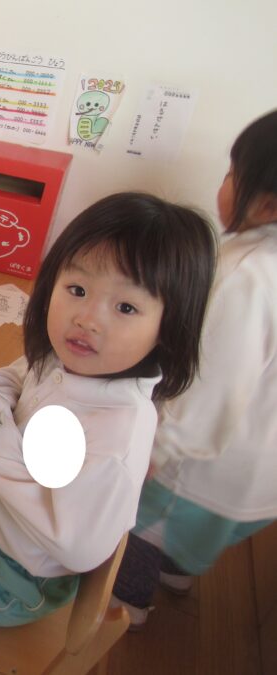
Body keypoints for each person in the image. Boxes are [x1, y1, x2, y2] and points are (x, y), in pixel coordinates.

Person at [0, 192, 217, 627]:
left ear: (167, 326)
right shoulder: (67, 359)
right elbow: (3, 380)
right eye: (77, 290)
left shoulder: (113, 434)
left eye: (126, 307)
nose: (87, 319)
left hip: (12, 576)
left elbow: (80, 550)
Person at [112, 110, 277, 628]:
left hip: (207, 461)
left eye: (231, 174)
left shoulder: (246, 275)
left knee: (138, 524)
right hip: (259, 470)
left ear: (267, 204)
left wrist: (156, 450)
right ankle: (177, 575)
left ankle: (125, 607)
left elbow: (215, 387)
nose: (222, 184)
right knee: (189, 533)